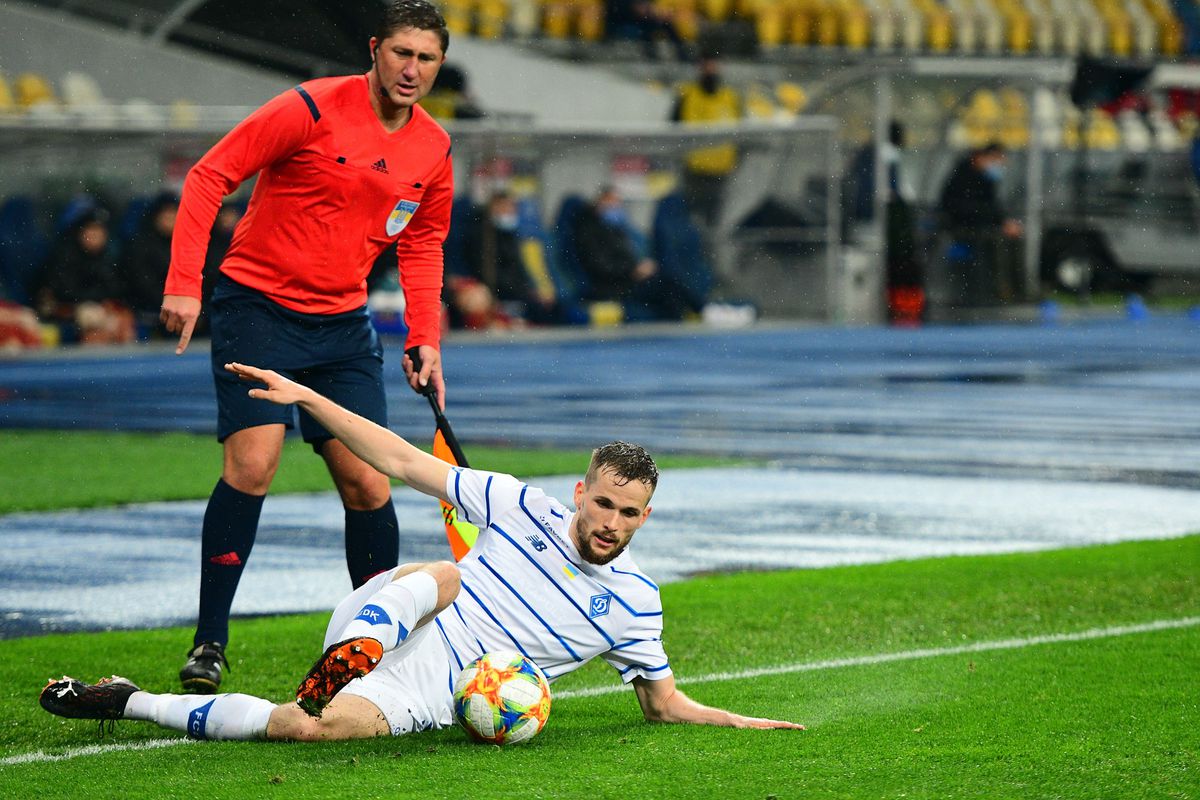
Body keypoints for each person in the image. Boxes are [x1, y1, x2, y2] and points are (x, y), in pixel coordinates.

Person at [40, 361, 805, 741]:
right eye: (602, 502)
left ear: (645, 516)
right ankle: (362, 644)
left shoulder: (636, 605)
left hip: (451, 687)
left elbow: (661, 703)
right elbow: (404, 461)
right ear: (580, 492)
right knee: (442, 573)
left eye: (628, 513)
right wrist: (309, 399)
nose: (611, 521)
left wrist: (741, 724)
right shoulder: (517, 503)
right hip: (405, 609)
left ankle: (125, 700)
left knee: (310, 731)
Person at [157, 0, 456, 694]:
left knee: (368, 481)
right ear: (376, 50)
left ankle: (374, 647)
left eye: (427, 58)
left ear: (440, 65)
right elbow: (208, 176)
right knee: (255, 464)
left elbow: (422, 241)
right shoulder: (311, 108)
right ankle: (209, 642)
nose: (413, 70)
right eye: (402, 54)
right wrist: (183, 284)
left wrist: (424, 337)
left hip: (343, 327)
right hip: (257, 308)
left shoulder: (435, 147)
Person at [573, 187, 687, 321]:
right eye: (612, 201)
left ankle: (686, 315)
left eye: (618, 202)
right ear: (600, 202)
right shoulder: (589, 232)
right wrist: (633, 270)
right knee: (666, 284)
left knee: (668, 279)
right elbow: (600, 266)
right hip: (613, 286)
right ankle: (697, 310)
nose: (616, 206)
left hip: (628, 281)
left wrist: (641, 267)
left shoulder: (616, 229)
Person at [937, 143, 1022, 308]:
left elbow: (991, 206)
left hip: (979, 232)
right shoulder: (962, 176)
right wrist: (995, 221)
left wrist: (1003, 222)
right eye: (996, 161)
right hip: (961, 232)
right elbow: (959, 207)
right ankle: (970, 298)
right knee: (970, 266)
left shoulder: (985, 180)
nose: (999, 167)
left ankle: (996, 294)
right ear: (982, 158)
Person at [34, 206, 135, 345]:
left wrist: (105, 301)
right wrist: (98, 299)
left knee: (123, 319)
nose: (95, 235)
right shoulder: (65, 255)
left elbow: (119, 288)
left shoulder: (111, 255)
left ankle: (120, 364)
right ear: (80, 233)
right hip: (67, 307)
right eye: (91, 230)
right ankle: (94, 363)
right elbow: (64, 292)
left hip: (102, 306)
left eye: (99, 231)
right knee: (93, 316)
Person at [463, 191, 560, 325]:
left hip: (519, 293)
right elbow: (488, 273)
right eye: (505, 207)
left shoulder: (511, 236)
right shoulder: (484, 237)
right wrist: (524, 292)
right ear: (493, 209)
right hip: (500, 296)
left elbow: (519, 269)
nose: (509, 211)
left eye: (512, 207)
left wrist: (532, 290)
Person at [671, 56, 743, 228]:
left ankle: (708, 253)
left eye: (713, 66)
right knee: (689, 221)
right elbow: (672, 130)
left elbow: (742, 132)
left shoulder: (730, 97)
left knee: (714, 223)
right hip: (693, 171)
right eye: (706, 66)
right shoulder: (687, 95)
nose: (710, 70)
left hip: (721, 172)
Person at [121, 192, 179, 336]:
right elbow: (142, 282)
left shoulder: (187, 243)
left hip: (183, 307)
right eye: (166, 215)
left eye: (174, 214)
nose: (170, 219)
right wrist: (170, 303)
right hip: (151, 309)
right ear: (156, 217)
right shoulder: (140, 244)